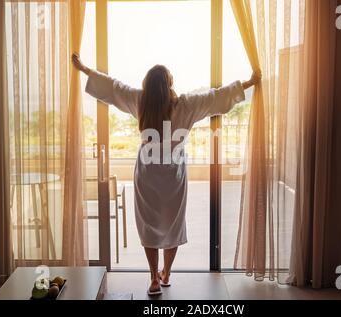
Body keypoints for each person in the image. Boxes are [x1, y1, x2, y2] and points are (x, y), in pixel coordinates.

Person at [72, 53, 261, 296]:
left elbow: (113, 88)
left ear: (146, 85)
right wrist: (249, 82)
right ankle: (166, 274)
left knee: (149, 226)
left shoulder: (140, 102)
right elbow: (217, 97)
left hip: (147, 173)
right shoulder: (186, 105)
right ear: (170, 85)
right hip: (174, 175)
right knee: (172, 226)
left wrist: (85, 68)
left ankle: (153, 279)